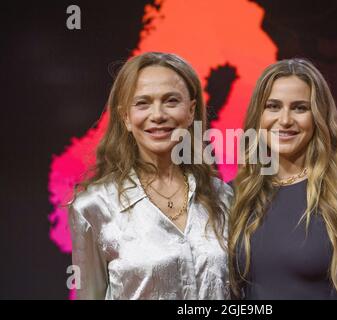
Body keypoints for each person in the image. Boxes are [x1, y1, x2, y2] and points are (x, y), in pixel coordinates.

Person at [69, 52, 233, 299]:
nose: (157, 115)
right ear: (126, 117)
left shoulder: (223, 196)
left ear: (190, 112)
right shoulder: (94, 207)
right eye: (142, 103)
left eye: (171, 101)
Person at [229, 58, 337, 299]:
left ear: (318, 117)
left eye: (300, 108)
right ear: (258, 116)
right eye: (273, 106)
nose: (284, 120)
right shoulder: (237, 193)